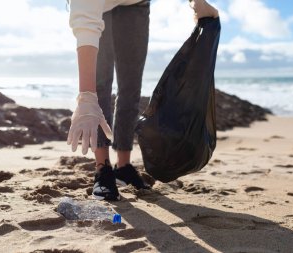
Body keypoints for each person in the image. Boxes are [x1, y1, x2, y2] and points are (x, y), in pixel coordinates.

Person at [67, 0, 219, 201]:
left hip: (136, 4)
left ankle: (123, 167)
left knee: (131, 86)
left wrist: (198, 2)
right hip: (99, 6)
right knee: (99, 85)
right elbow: (86, 24)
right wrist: (86, 97)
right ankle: (102, 168)